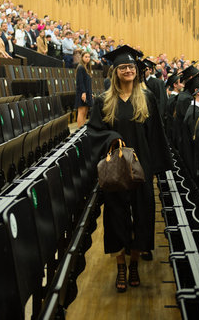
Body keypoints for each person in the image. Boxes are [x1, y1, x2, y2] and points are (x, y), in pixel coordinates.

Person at [87, 46, 173, 293]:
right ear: (115, 71)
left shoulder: (147, 99)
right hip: (116, 168)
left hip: (141, 166)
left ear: (137, 71)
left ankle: (135, 262)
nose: (128, 70)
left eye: (131, 67)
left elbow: (156, 134)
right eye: (123, 67)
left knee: (143, 216)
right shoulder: (104, 101)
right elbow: (93, 131)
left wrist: (156, 169)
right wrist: (112, 137)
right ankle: (121, 266)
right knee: (116, 217)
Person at [75, 51, 93, 128]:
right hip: (82, 92)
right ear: (82, 58)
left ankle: (82, 129)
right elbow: (80, 82)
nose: (87, 58)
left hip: (87, 92)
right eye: (86, 57)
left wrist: (90, 93)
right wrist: (83, 92)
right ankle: (79, 129)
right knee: (81, 112)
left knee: (85, 112)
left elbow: (88, 82)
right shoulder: (80, 67)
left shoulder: (87, 68)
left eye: (89, 57)